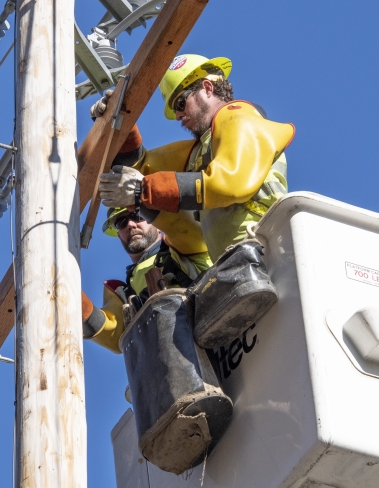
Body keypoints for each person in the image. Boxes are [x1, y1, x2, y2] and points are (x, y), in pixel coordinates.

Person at [96, 54, 295, 348]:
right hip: (238, 265)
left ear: (207, 88)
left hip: (267, 254)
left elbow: (231, 181)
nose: (178, 115)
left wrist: (142, 190)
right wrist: (120, 125)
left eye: (180, 103)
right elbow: (146, 166)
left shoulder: (238, 116)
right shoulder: (202, 146)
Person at [81, 207, 212, 354]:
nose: (130, 225)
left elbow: (182, 227)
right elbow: (112, 334)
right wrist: (72, 300)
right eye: (121, 222)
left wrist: (143, 197)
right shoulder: (125, 292)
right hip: (173, 361)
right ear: (119, 236)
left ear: (157, 225)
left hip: (215, 329)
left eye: (137, 216)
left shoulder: (181, 246)